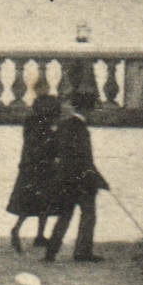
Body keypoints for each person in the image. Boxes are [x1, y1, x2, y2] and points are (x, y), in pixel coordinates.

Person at [44, 93, 109, 263]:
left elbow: (53, 151)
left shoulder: (64, 125)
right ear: (87, 110)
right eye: (93, 109)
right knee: (88, 215)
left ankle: (51, 252)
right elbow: (85, 159)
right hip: (83, 181)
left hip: (66, 179)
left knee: (64, 216)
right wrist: (99, 180)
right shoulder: (81, 129)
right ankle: (82, 252)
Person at [6, 94, 61, 253]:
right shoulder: (45, 124)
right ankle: (32, 233)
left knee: (34, 202)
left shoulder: (31, 122)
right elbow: (47, 146)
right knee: (41, 202)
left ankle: (27, 231)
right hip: (40, 168)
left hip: (32, 167)